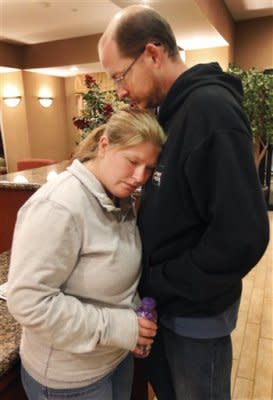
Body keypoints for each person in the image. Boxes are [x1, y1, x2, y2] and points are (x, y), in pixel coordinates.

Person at [98, 6, 270, 400]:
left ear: (153, 54)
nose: (119, 90)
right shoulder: (169, 115)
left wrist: (161, 281)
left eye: (119, 76)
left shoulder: (210, 111)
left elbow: (244, 236)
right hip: (169, 309)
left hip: (195, 317)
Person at [7, 108, 166, 400]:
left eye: (149, 168)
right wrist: (119, 327)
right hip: (68, 380)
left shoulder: (119, 196)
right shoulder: (59, 206)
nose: (139, 177)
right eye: (133, 161)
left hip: (114, 360)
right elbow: (29, 302)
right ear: (104, 145)